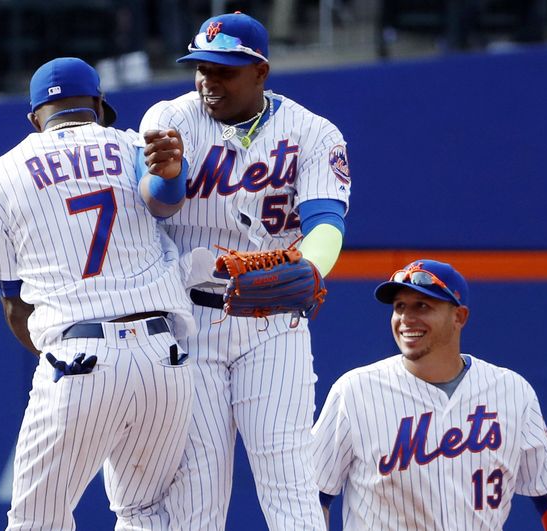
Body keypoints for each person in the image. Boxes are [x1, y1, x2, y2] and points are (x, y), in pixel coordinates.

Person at [139, 11, 350, 530]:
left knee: (290, 481)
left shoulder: (313, 132)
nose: (209, 81)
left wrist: (315, 269)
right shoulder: (171, 118)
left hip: (273, 318)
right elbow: (158, 205)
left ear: (261, 71)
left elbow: (327, 221)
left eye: (224, 70)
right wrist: (166, 179)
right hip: (190, 320)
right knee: (198, 491)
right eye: (201, 68)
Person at [0, 56, 196, 530]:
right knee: (146, 512)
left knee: (37, 521)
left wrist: (71, 361)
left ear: (35, 117)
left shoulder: (2, 173)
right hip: (165, 357)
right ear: (97, 103)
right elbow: (167, 196)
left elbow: (14, 306)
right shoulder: (133, 145)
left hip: (79, 354)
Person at [312, 259, 547, 530]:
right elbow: (313, 494)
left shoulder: (512, 392)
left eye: (422, 305)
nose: (407, 319)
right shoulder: (355, 391)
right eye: (399, 307)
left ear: (459, 316)